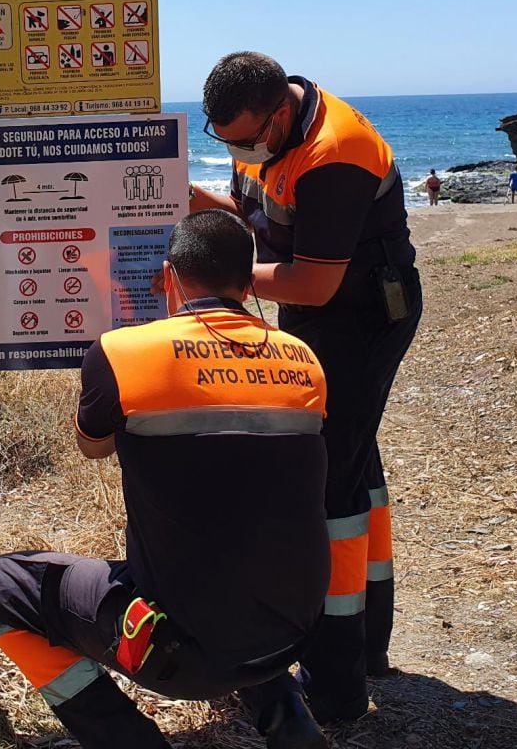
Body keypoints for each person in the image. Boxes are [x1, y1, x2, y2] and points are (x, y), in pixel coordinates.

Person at [0, 210, 332, 749]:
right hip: (292, 636)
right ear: (248, 280)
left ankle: (127, 740)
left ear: (168, 276)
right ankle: (289, 719)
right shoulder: (303, 360)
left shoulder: (122, 352)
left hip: (176, 652)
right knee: (245, 557)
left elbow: (91, 447)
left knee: (1, 587)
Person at [189, 52, 423, 723]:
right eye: (224, 138)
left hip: (364, 318)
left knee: (330, 483)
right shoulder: (260, 130)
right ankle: (371, 643)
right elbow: (246, 210)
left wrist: (220, 281)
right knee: (352, 459)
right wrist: (182, 199)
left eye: (244, 137)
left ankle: (338, 683)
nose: (237, 149)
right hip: (316, 313)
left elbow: (313, 280)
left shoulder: (336, 150)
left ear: (281, 113)